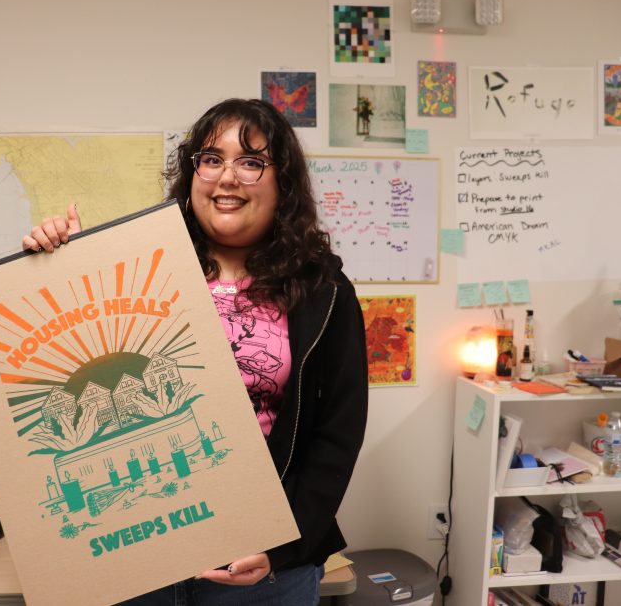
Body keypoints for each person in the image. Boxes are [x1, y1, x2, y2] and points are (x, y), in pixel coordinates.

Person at [23, 98, 368, 605]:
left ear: (284, 182)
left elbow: (338, 434)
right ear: (192, 174)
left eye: (251, 162)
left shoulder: (324, 290)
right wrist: (60, 264)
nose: (227, 177)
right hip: (137, 562)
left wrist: (283, 545)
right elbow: (77, 362)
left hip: (260, 571)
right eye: (211, 159)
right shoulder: (134, 270)